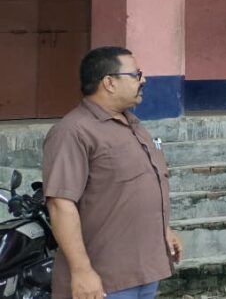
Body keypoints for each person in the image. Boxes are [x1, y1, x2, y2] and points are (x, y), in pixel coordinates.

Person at [42, 47, 183, 299]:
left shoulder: (133, 125)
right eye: (136, 74)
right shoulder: (74, 131)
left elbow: (140, 188)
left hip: (144, 270)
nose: (143, 80)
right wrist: (82, 271)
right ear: (109, 82)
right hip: (104, 280)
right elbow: (60, 205)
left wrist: (164, 230)